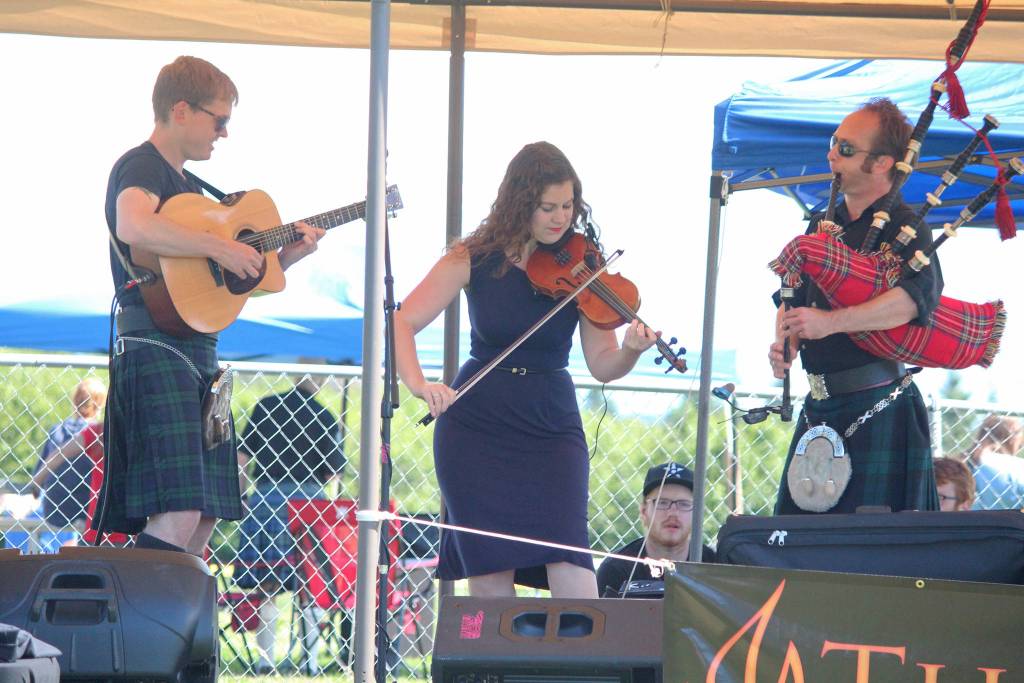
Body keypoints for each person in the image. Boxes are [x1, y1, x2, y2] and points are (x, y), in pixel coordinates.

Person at [394, 141, 658, 598]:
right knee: (490, 570)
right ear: (521, 204)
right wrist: (420, 385)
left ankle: (581, 669)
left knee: (569, 556)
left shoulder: (583, 263)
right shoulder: (472, 256)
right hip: (476, 427)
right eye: (547, 207)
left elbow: (602, 365)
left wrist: (632, 351)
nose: (560, 218)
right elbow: (402, 320)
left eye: (568, 206)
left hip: (549, 422)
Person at [96, 56, 324, 555]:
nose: (223, 133)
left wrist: (287, 257)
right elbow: (133, 225)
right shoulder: (142, 166)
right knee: (177, 512)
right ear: (181, 111)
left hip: (196, 350)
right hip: (155, 345)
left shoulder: (194, 191)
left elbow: (221, 284)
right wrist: (220, 247)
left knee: (202, 517)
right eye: (218, 120)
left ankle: (168, 621)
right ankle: (140, 618)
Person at [769, 98, 942, 515]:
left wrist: (829, 323)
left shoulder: (907, 228)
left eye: (846, 148)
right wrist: (786, 340)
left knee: (874, 551)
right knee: (800, 543)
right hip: (820, 405)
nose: (831, 154)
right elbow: (792, 291)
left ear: (882, 163)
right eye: (834, 143)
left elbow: (910, 300)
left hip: (879, 401)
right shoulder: (821, 223)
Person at [234, 363, 346, 675]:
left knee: (266, 582)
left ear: (297, 374)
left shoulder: (266, 406)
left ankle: (265, 661)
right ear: (322, 380)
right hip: (309, 503)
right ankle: (309, 664)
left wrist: (242, 496)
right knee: (309, 582)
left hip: (266, 497)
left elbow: (242, 457)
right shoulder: (323, 415)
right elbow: (333, 471)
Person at [596, 463, 715, 598]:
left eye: (684, 504)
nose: (673, 513)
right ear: (643, 511)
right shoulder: (616, 568)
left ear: (697, 513)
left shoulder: (715, 566)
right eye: (662, 502)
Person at [31, 379, 107, 533]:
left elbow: (40, 471)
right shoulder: (99, 435)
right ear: (100, 406)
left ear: (75, 401)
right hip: (89, 511)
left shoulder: (57, 430)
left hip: (54, 510)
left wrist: (36, 485)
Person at [965, 415, 1024, 510]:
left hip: (964, 521)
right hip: (1006, 522)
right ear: (1013, 440)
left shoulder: (963, 462)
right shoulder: (1016, 467)